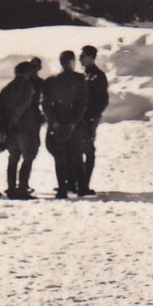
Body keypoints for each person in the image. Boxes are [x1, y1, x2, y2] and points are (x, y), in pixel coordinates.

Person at [41, 51, 89, 199]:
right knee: (77, 155)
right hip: (74, 123)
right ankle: (81, 187)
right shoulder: (80, 79)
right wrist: (73, 122)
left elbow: (45, 103)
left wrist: (53, 122)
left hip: (57, 123)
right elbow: (82, 104)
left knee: (60, 157)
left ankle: (62, 188)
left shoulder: (50, 81)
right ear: (71, 62)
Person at [0, 60, 44, 200]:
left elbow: (1, 109)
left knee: (13, 159)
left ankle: (11, 188)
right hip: (25, 128)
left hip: (10, 130)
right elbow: (22, 107)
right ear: (26, 73)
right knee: (28, 157)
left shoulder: (6, 88)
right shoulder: (27, 87)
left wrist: (6, 128)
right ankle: (22, 188)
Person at [77, 45, 110, 196]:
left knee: (88, 150)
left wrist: (92, 117)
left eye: (83, 55)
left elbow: (102, 100)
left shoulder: (98, 76)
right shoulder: (83, 75)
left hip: (89, 119)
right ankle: (79, 182)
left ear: (91, 57)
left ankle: (84, 183)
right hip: (79, 118)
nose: (80, 58)